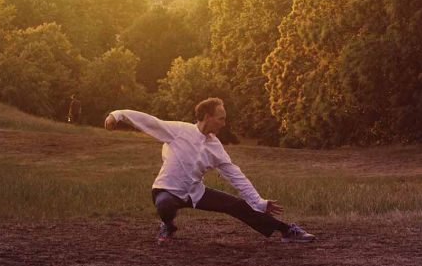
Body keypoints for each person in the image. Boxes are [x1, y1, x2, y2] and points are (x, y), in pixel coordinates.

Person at [103, 98, 315, 245]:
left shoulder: (216, 147)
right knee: (165, 204)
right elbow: (149, 121)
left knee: (236, 206)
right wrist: (117, 115)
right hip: (166, 190)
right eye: (220, 118)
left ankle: (287, 231)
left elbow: (235, 175)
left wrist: (258, 202)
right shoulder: (179, 131)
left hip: (195, 192)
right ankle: (167, 226)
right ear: (206, 116)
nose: (224, 123)